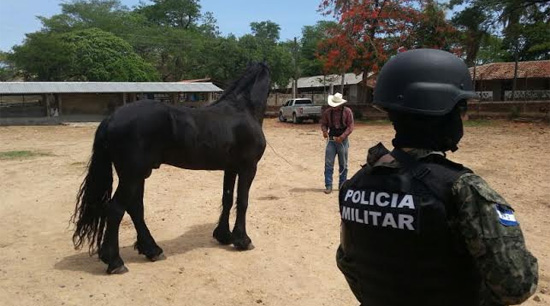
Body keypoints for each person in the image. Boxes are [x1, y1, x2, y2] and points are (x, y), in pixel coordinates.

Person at [336, 49, 538, 306]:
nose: (463, 118)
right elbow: (517, 285)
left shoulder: (355, 185)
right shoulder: (462, 189)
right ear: (444, 112)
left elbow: (348, 263)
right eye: (461, 110)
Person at [320, 92, 354, 194]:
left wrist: (342, 137)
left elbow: (350, 126)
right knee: (328, 163)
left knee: (343, 164)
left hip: (343, 140)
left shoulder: (347, 112)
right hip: (331, 140)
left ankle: (342, 185)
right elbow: (323, 124)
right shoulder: (327, 112)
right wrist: (324, 131)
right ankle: (328, 185)